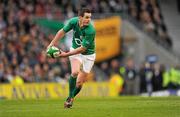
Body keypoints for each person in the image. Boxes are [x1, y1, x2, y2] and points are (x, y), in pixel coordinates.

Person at [47, 8, 96, 108]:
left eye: (90, 17)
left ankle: (71, 97)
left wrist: (65, 55)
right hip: (75, 51)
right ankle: (70, 98)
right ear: (80, 17)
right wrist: (51, 44)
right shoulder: (73, 22)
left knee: (79, 83)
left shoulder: (91, 30)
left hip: (89, 55)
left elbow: (82, 49)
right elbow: (61, 32)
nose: (88, 20)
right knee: (74, 72)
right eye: (86, 17)